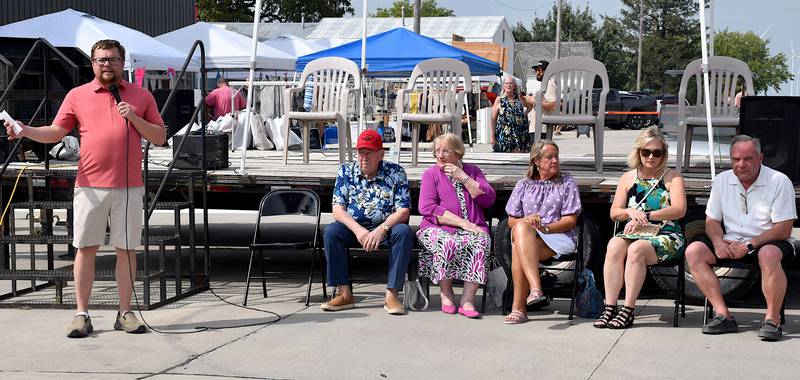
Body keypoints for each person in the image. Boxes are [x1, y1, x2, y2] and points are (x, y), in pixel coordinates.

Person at [4, 39, 166, 338]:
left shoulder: (141, 96)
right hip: (90, 185)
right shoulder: (78, 95)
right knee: (85, 248)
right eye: (101, 59)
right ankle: (82, 313)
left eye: (113, 59)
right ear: (92, 63)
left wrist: (134, 116)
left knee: (127, 250)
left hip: (129, 187)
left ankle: (126, 313)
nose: (107, 64)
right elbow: (56, 131)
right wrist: (25, 130)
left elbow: (159, 136)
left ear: (122, 62)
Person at [685, 135, 796, 341]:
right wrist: (718, 242)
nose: (741, 164)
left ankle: (772, 320)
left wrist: (749, 244)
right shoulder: (721, 180)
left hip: (767, 240)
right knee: (694, 251)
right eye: (736, 159)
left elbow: (784, 228)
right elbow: (712, 221)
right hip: (730, 240)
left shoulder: (779, 181)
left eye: (747, 159)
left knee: (769, 254)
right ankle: (723, 314)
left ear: (760, 157)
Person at [594, 127, 686, 329]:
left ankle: (628, 309)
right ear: (638, 152)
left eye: (657, 152)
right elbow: (614, 212)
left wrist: (647, 216)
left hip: (666, 234)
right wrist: (629, 212)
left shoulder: (673, 178)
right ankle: (610, 306)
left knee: (636, 249)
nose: (651, 156)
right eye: (646, 152)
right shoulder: (628, 178)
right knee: (614, 245)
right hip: (636, 231)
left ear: (664, 154)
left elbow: (679, 210)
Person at [322, 129, 415, 315]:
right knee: (331, 232)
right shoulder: (345, 172)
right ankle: (344, 293)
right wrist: (359, 231)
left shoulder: (396, 173)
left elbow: (403, 210)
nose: (364, 158)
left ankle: (392, 294)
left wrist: (382, 229)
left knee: (404, 233)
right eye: (360, 153)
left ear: (381, 154)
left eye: (369, 153)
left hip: (385, 228)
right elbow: (337, 209)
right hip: (355, 228)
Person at [417, 133, 496, 318]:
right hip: (436, 228)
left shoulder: (473, 171)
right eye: (437, 151)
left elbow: (489, 199)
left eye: (445, 151)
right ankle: (446, 294)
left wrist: (464, 178)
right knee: (447, 243)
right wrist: (462, 223)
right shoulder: (431, 174)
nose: (440, 155)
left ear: (458, 152)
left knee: (481, 241)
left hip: (473, 227)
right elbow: (427, 207)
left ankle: (467, 301)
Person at [503, 140, 582, 324]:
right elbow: (511, 220)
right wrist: (528, 221)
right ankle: (535, 289)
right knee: (520, 229)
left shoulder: (566, 182)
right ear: (536, 161)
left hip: (559, 235)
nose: (554, 161)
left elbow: (570, 221)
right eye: (549, 157)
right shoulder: (524, 184)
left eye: (556, 156)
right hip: (531, 237)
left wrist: (544, 228)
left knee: (518, 247)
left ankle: (520, 307)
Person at [491, 75, 531, 153]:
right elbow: (493, 119)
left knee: (518, 157)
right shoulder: (499, 99)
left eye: (511, 83)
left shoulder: (519, 98)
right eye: (506, 83)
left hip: (519, 133)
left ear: (514, 86)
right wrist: (492, 135)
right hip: (504, 134)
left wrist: (523, 115)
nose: (508, 85)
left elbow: (529, 107)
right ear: (503, 86)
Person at [525, 60, 557, 140]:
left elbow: (553, 105)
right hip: (537, 126)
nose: (538, 72)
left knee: (539, 151)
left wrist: (533, 101)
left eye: (541, 70)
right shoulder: (544, 84)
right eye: (536, 70)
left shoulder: (550, 83)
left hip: (542, 127)